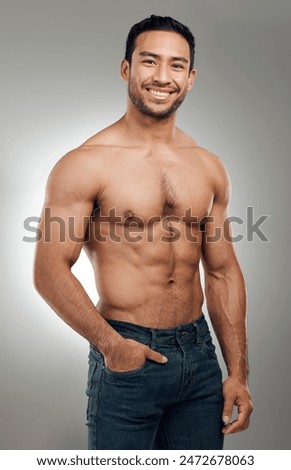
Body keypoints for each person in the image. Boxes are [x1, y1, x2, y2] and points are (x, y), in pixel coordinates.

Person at [34, 15, 253, 450]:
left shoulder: (208, 166)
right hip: (127, 356)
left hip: (201, 357)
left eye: (176, 66)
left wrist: (238, 373)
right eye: (149, 61)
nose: (162, 76)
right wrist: (111, 345)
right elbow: (49, 270)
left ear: (190, 79)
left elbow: (224, 272)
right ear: (126, 69)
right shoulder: (85, 163)